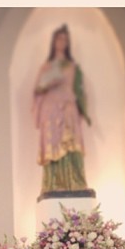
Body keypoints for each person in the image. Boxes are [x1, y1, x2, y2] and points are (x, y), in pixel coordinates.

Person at [32, 24, 92, 195]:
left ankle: (75, 182)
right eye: (59, 38)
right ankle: (53, 183)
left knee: (72, 142)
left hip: (68, 106)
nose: (61, 42)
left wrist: (80, 105)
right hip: (50, 109)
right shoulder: (47, 67)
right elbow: (37, 90)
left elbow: (79, 91)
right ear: (53, 42)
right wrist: (48, 84)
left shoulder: (72, 67)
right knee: (53, 144)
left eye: (65, 39)